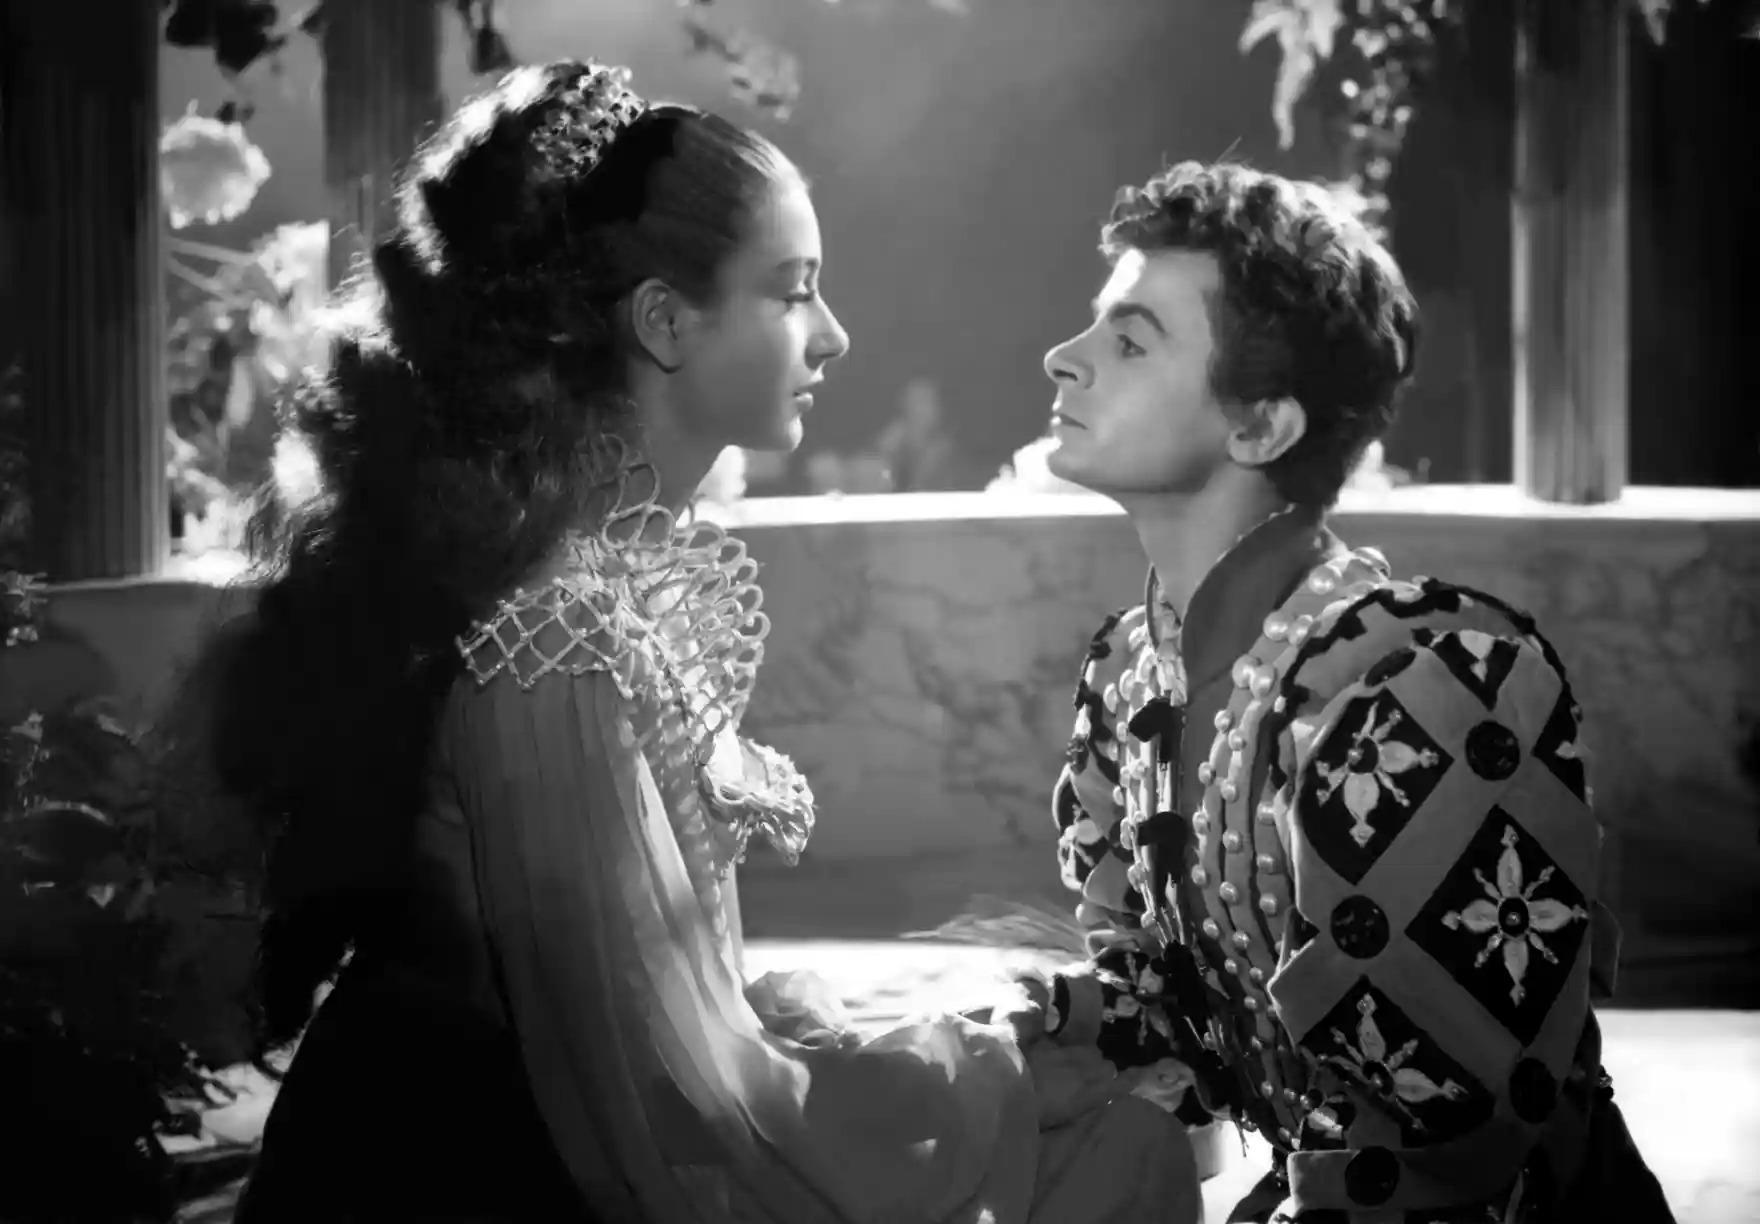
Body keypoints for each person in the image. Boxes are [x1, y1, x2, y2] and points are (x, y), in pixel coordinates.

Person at [161, 60, 1194, 1223]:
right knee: (1117, 1154)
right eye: (792, 293)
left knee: (1098, 1125)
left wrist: (973, 1064)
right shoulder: (560, 639)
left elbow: (673, 1021)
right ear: (662, 322)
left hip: (543, 1144)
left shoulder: (605, 590)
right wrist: (984, 1086)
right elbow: (662, 1113)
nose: (834, 337)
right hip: (464, 1180)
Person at [1006, 161, 1676, 1223]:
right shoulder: (1132, 675)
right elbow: (1174, 1022)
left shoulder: (1414, 688)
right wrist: (1035, 1028)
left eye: (1129, 342)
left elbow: (1447, 1142)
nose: (1064, 356)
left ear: (1260, 428)